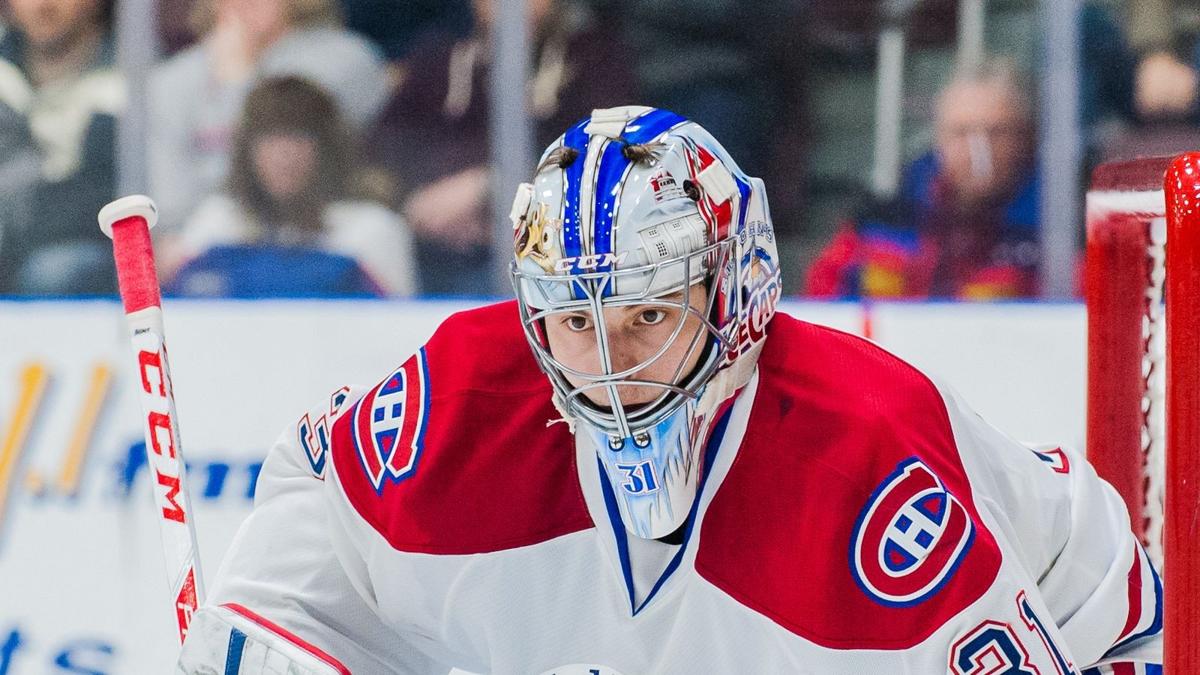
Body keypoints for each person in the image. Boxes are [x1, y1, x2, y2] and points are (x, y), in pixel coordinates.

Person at [177, 107, 1161, 672]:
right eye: (575, 320)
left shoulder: (872, 471)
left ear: (734, 293)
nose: (607, 366)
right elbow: (298, 552)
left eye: (648, 315)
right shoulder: (456, 407)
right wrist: (246, 646)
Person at [369, 0, 636, 295]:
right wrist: (414, 201)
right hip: (429, 245)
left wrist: (488, 187)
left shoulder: (592, 59)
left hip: (548, 250)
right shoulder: (441, 60)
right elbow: (381, 152)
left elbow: (608, 157)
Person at [807, 60, 1042, 300]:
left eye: (996, 132)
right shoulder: (884, 221)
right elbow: (824, 302)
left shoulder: (1051, 229)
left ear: (1024, 139)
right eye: (961, 133)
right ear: (939, 138)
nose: (977, 149)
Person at [147, 0, 390, 231]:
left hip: (320, 232)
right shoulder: (172, 80)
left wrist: (237, 82)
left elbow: (285, 170)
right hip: (204, 241)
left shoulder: (344, 60)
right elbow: (169, 200)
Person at [165, 76, 415, 298]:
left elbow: (399, 333)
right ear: (247, 150)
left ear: (328, 148)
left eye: (299, 137)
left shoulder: (372, 229)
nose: (284, 155)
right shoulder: (217, 224)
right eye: (270, 138)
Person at [0, 0, 120, 295]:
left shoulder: (126, 79)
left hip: (82, 246)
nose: (43, 4)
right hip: (12, 237)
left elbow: (107, 196)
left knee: (53, 271)